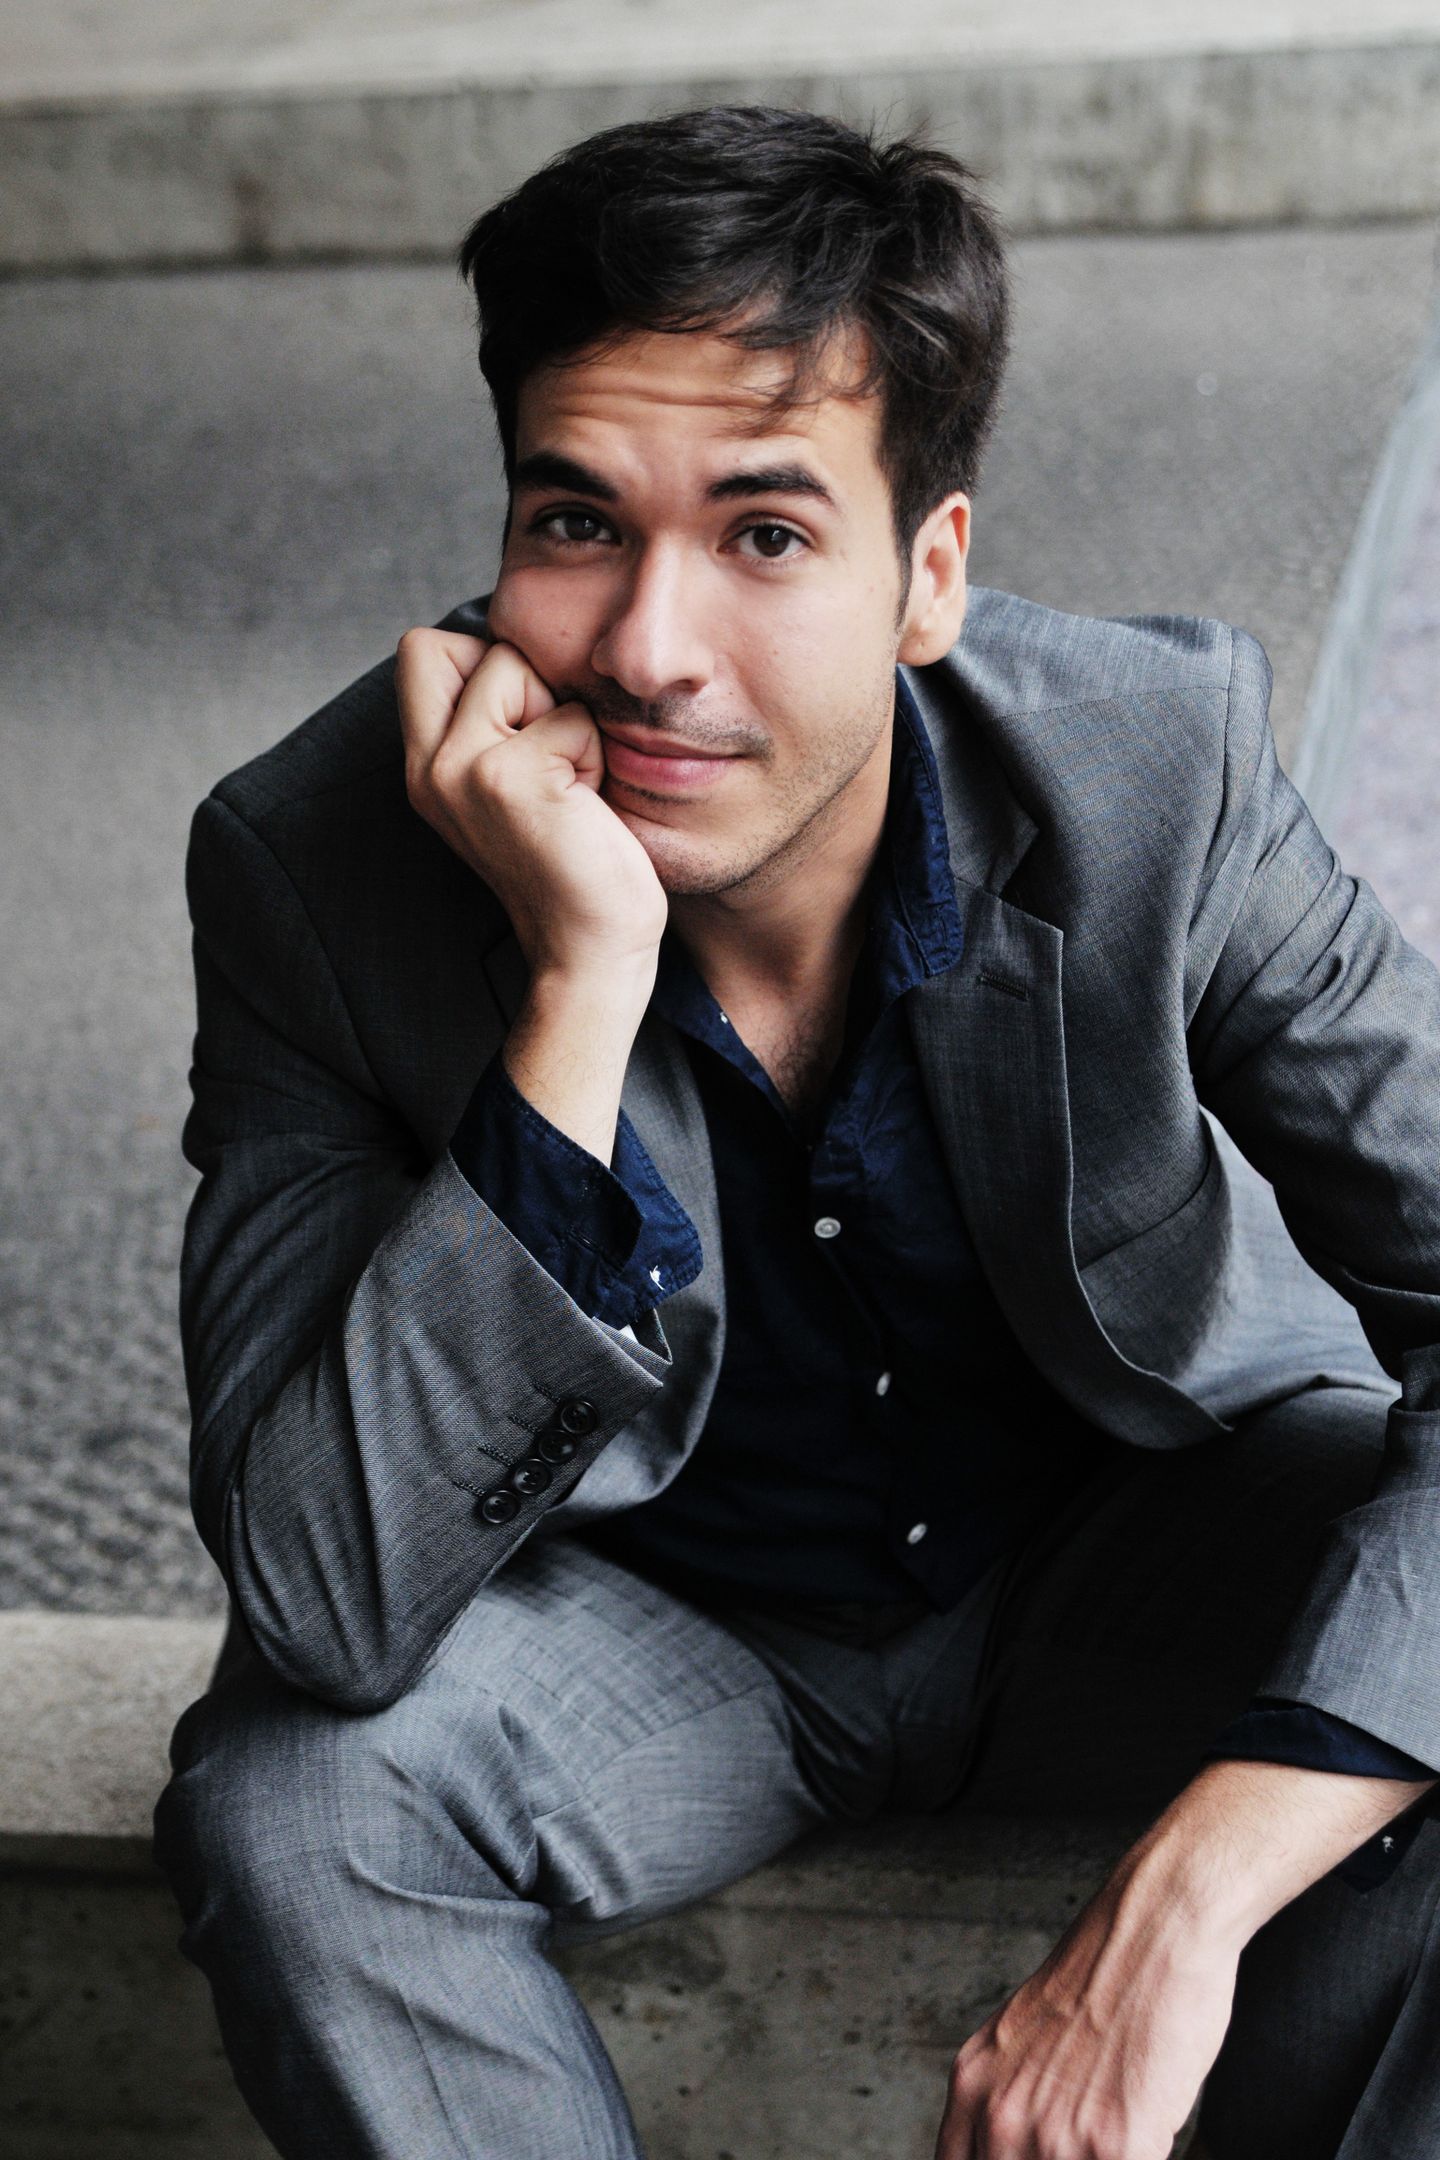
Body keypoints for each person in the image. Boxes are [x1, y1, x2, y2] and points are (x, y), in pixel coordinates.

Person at [154, 105, 1440, 2160]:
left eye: (764, 536)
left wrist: (1187, 1904)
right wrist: (578, 992)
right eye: (576, 522)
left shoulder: (1149, 767)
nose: (647, 651)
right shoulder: (315, 866)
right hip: (670, 1632)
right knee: (298, 1805)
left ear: (929, 575)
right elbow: (321, 1598)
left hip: (1127, 1551)